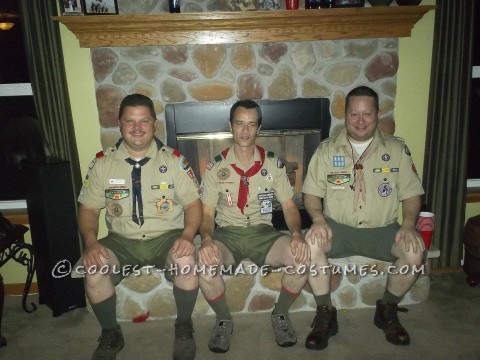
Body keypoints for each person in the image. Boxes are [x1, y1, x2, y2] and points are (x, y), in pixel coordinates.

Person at [77, 94, 202, 360]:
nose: (136, 127)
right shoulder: (102, 163)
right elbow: (88, 208)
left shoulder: (175, 161)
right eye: (129, 121)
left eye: (143, 121)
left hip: (166, 236)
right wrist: (90, 241)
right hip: (121, 239)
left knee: (187, 259)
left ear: (154, 125)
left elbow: (193, 204)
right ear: (119, 124)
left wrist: (188, 235)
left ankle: (183, 326)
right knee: (93, 266)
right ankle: (111, 332)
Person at [302, 85, 425, 350]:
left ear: (377, 114)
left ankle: (387, 308)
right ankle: (325, 314)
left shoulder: (396, 150)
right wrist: (318, 220)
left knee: (415, 252)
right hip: (338, 228)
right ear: (344, 114)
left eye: (366, 114)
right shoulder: (326, 151)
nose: (360, 121)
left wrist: (408, 224)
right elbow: (310, 194)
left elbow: (412, 192)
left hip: (383, 230)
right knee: (311, 243)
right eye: (354, 114)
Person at [198, 99, 325, 353]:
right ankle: (223, 319)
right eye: (239, 124)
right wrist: (208, 240)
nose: (245, 131)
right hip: (227, 233)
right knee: (205, 265)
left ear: (259, 129)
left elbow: (289, 206)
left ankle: (280, 314)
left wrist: (297, 235)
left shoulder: (273, 165)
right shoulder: (215, 167)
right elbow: (207, 213)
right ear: (230, 126)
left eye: (251, 124)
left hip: (263, 233)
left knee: (303, 257)